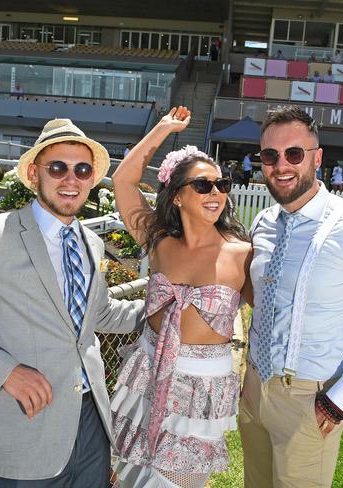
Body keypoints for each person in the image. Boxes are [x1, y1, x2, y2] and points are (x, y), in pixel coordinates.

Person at [0, 118, 145, 486]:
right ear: (34, 174)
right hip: (25, 424)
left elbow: (100, 315)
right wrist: (5, 372)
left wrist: (163, 308)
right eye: (58, 168)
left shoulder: (90, 243)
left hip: (90, 421)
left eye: (82, 169)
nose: (71, 179)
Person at [239, 105, 343, 488]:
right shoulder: (263, 222)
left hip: (310, 400)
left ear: (317, 159)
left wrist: (340, 398)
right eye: (270, 155)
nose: (281, 165)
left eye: (294, 153)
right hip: (254, 390)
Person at [110, 106, 253, 487]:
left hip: (202, 387)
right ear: (176, 197)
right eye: (203, 186)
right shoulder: (158, 241)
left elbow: (273, 317)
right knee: (132, 478)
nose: (216, 193)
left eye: (222, 185)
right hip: (149, 369)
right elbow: (123, 181)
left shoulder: (242, 254)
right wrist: (161, 130)